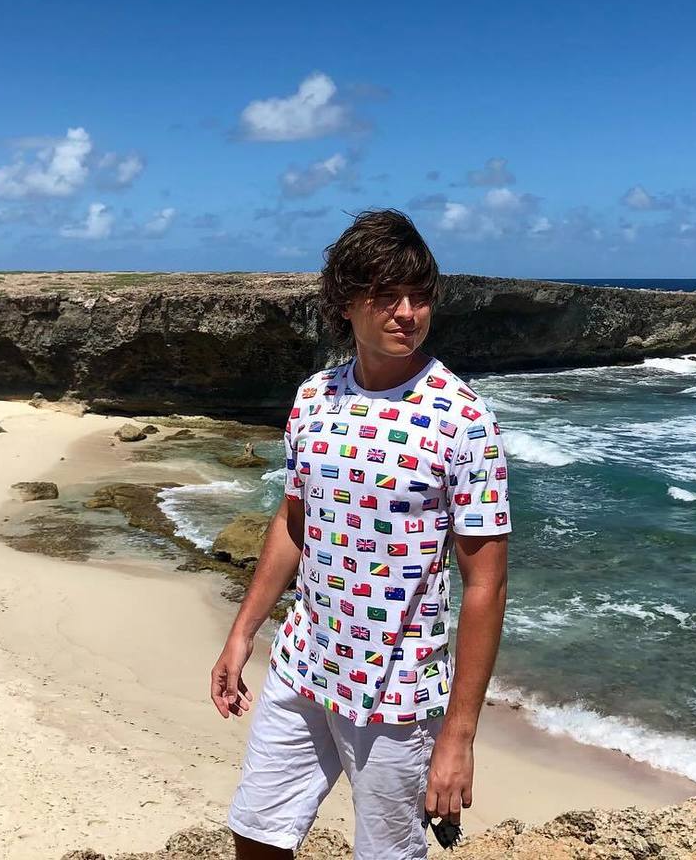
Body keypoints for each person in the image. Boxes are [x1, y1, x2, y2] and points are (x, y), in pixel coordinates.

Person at [210, 208, 512, 859]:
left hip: (397, 690)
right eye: (386, 296)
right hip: (302, 661)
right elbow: (293, 522)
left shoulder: (463, 419)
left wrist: (458, 736)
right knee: (255, 832)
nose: (407, 313)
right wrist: (241, 633)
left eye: (420, 296)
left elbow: (485, 584)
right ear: (344, 302)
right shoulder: (314, 398)